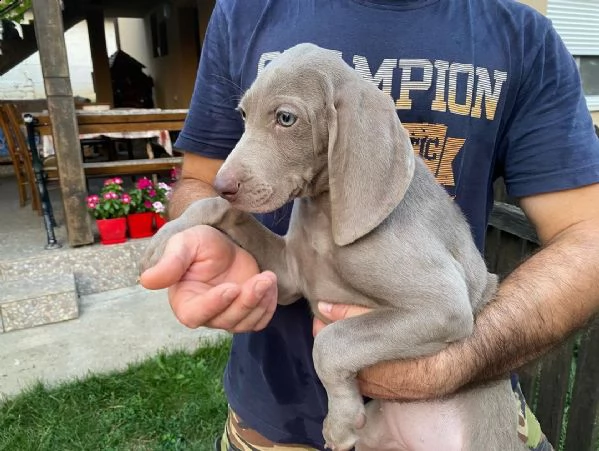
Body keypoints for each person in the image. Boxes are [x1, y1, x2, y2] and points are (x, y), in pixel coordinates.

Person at [140, 0, 599, 450]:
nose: (231, 174)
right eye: (248, 116)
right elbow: (206, 183)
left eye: (285, 118)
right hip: (281, 422)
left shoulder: (522, 36)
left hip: (460, 420)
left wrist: (453, 361)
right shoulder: (245, 10)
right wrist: (204, 220)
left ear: (345, 134)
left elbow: (588, 235)